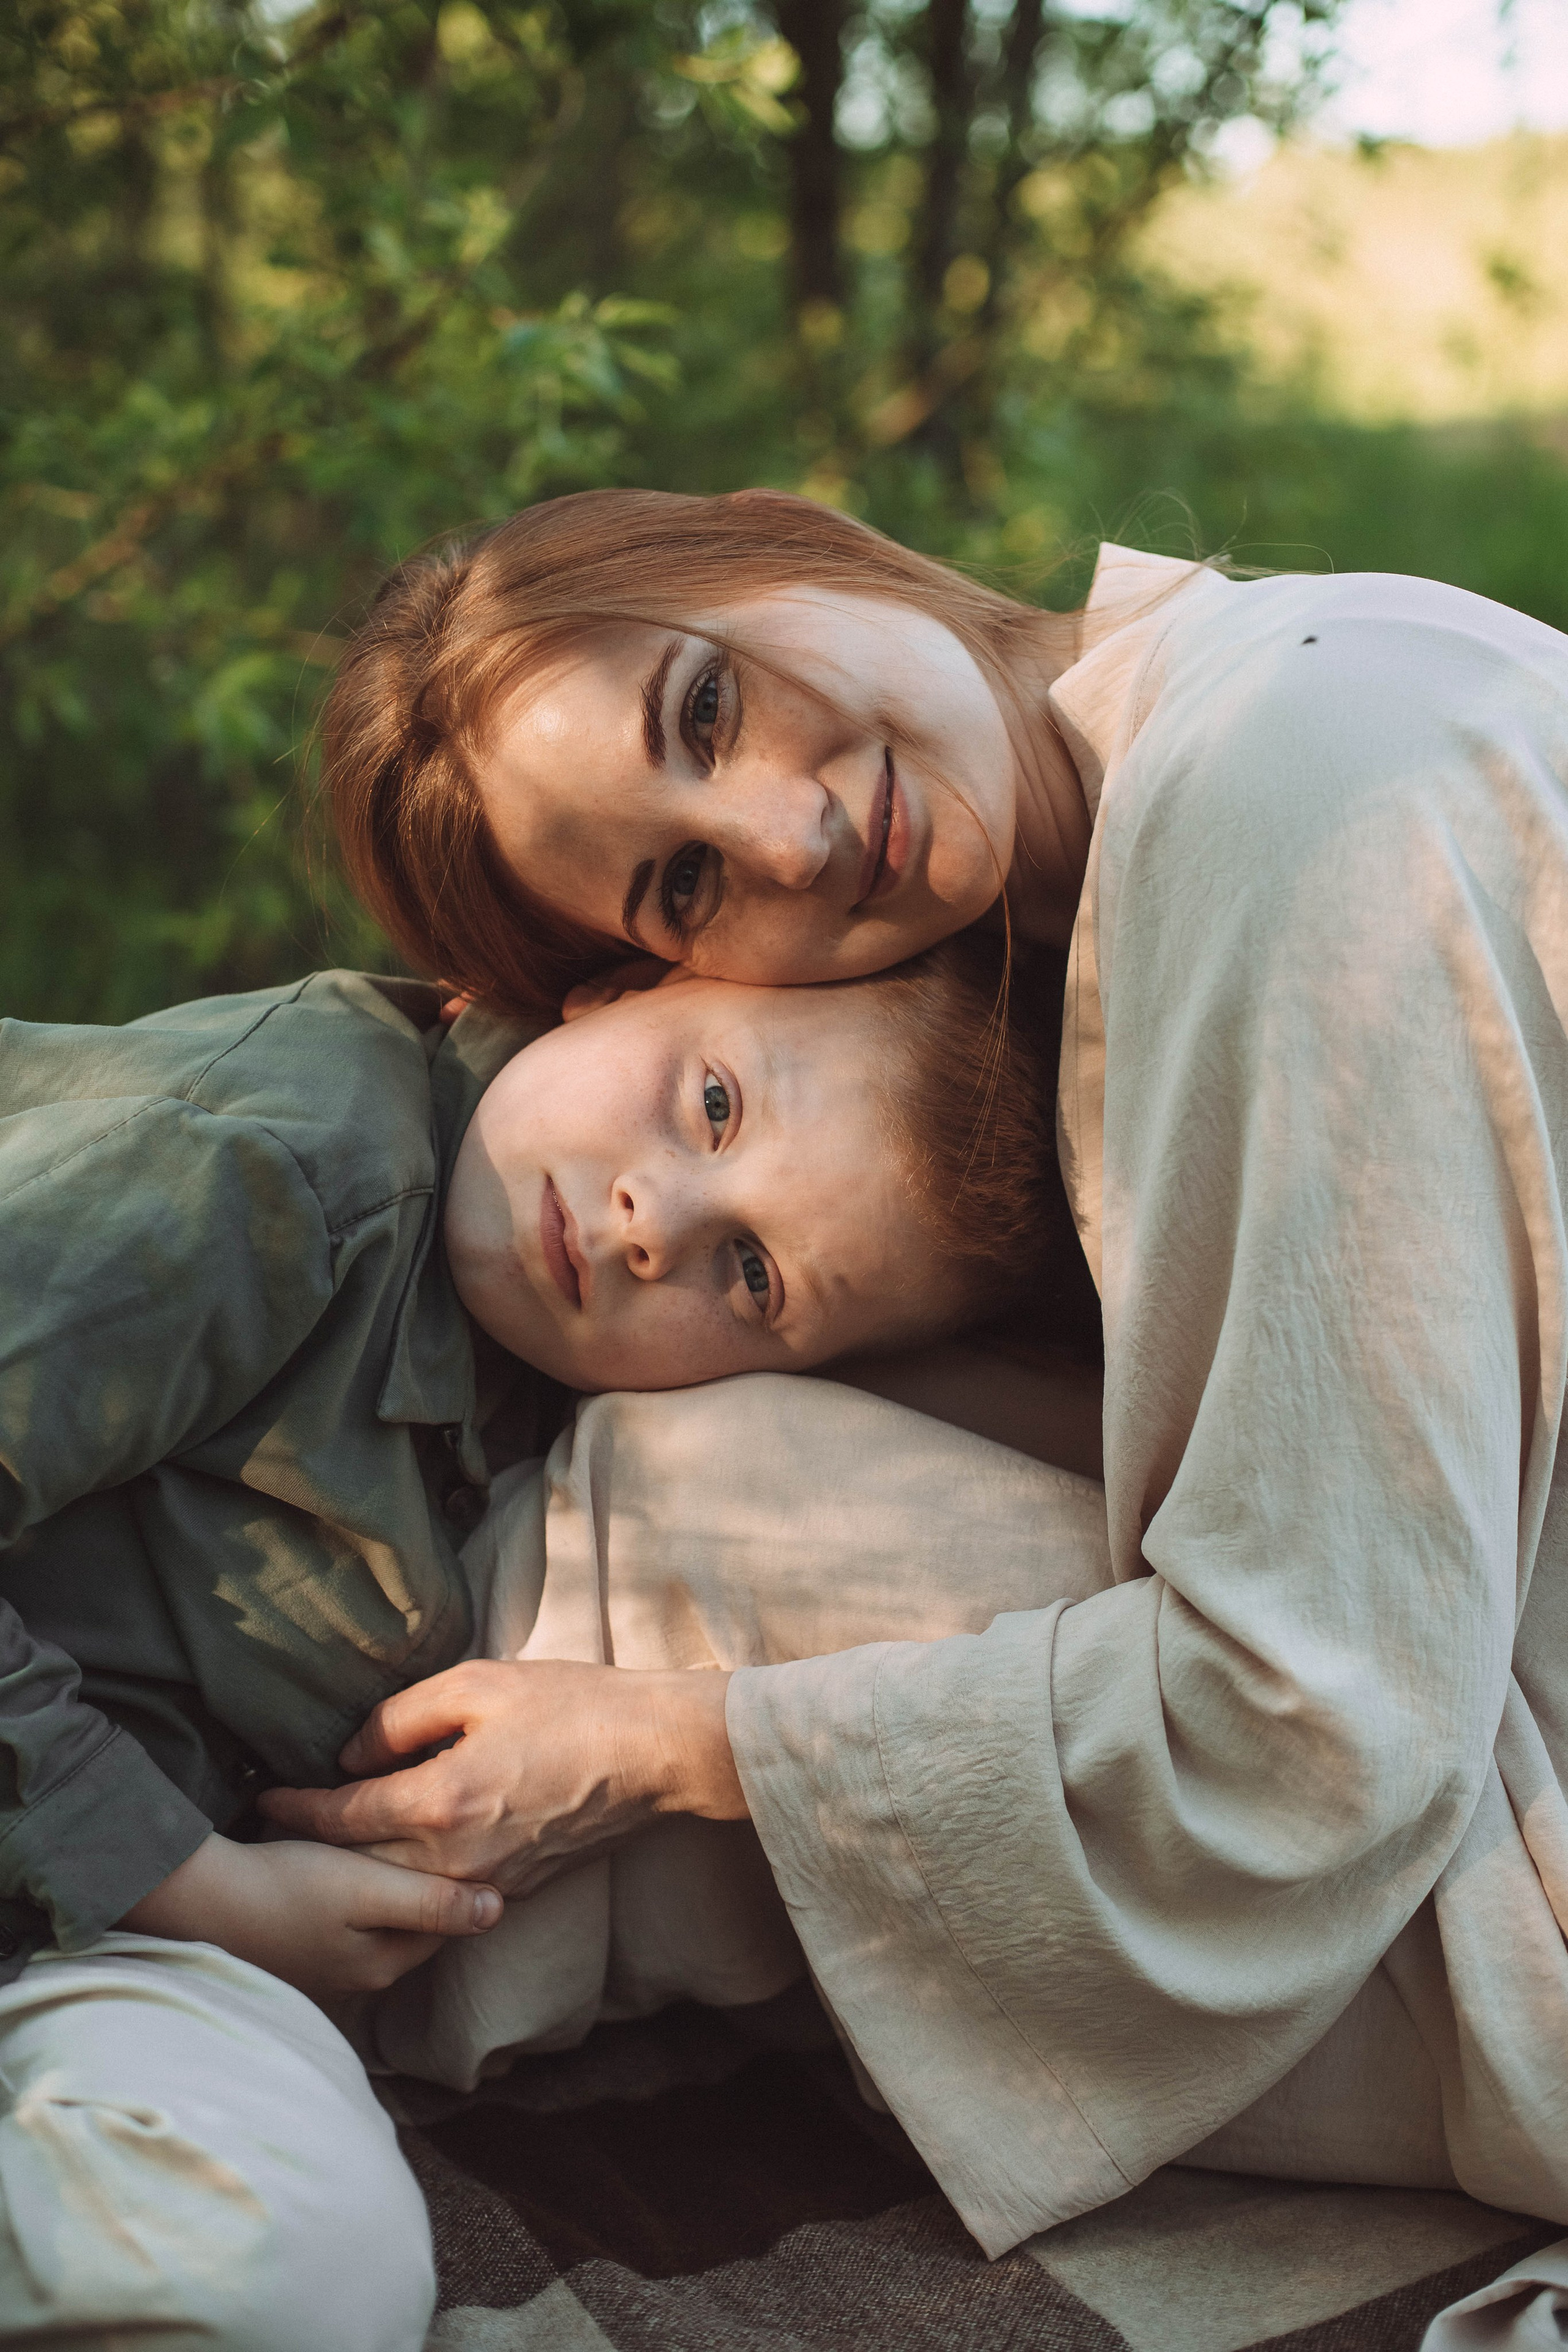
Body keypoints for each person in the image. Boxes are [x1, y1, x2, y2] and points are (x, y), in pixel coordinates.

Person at [285, 492, 1568, 2304]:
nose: (794, 839)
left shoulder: (1281, 778)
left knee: (697, 1508)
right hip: (1475, 1728)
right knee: (724, 1462)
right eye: (686, 883)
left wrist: (672, 1740)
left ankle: (240, 1910)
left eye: (708, 709)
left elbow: (1322, 1732)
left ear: (784, 540)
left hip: (1508, 1865)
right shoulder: (1114, 885)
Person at [0, 934, 1054, 2348]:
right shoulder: (277, 1172)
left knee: (293, 2271)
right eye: (714, 1105)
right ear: (623, 982)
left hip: (67, 1937)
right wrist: (199, 1890)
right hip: (126, 1870)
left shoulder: (536, 1344)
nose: (647, 1224)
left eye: (748, 1275)